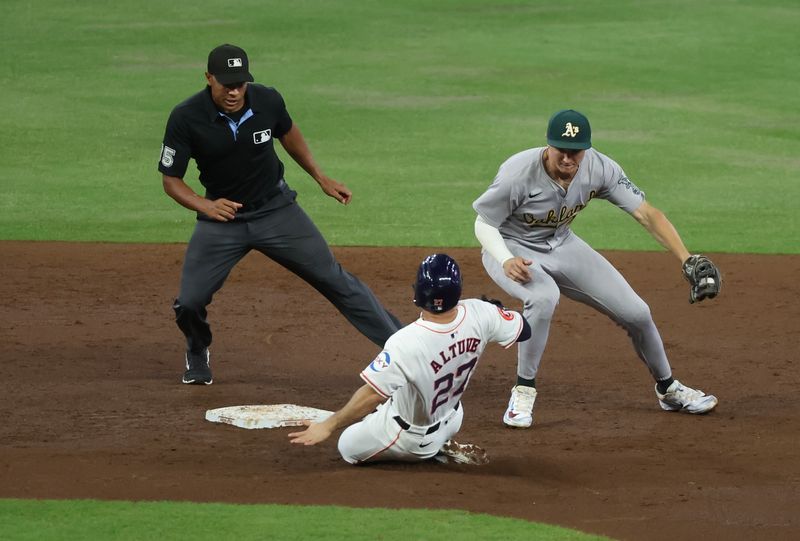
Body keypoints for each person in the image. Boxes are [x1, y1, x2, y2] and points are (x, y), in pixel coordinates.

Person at [158, 44, 402, 384]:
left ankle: (405, 346)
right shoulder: (186, 117)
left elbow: (287, 133)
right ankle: (197, 348)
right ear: (208, 78)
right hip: (224, 219)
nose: (234, 91)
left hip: (277, 211)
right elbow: (171, 179)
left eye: (240, 83)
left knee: (335, 280)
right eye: (226, 83)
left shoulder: (267, 100)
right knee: (189, 301)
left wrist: (320, 176)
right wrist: (206, 205)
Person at [472, 109, 721, 428]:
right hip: (509, 245)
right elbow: (484, 223)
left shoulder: (600, 168)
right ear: (548, 145)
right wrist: (505, 258)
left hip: (562, 243)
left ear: (586, 148)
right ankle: (524, 390)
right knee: (544, 298)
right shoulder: (517, 172)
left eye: (574, 151)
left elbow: (647, 214)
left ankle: (668, 388)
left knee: (637, 312)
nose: (567, 158)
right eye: (560, 149)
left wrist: (686, 257)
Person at [288, 254, 531, 465]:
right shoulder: (481, 313)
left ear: (418, 292)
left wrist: (328, 425)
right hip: (453, 415)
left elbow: (373, 394)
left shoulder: (406, 341)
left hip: (412, 438)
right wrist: (495, 309)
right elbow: (525, 329)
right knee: (411, 383)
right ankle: (440, 441)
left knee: (347, 447)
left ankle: (431, 450)